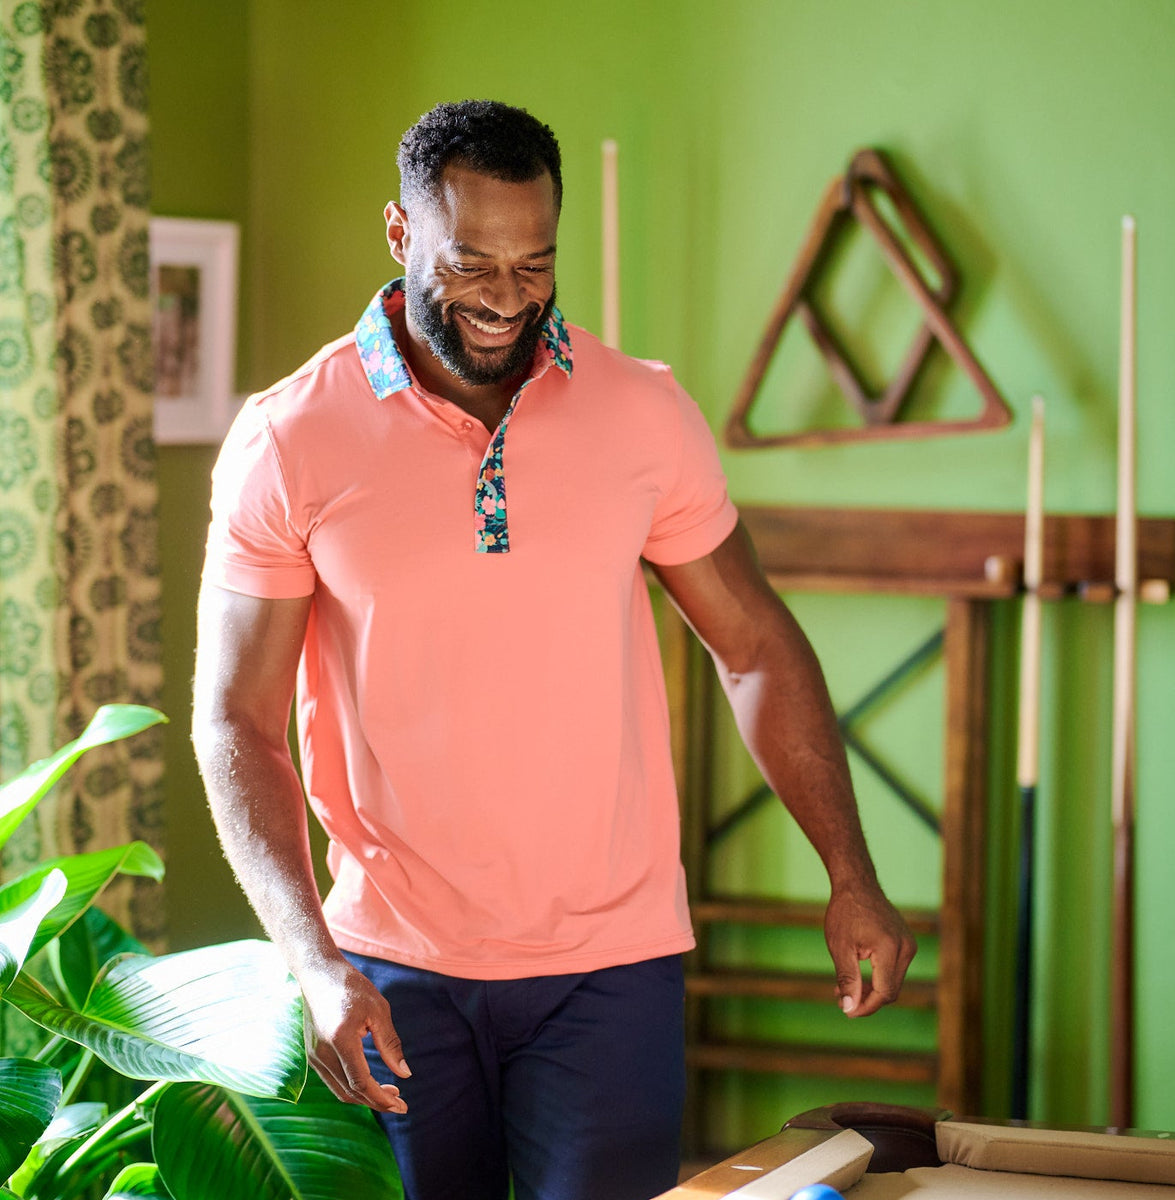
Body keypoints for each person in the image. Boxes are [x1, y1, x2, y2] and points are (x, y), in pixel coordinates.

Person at [192, 99, 916, 1200]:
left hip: (610, 972)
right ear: (400, 231)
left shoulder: (644, 413)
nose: (505, 299)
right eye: (471, 263)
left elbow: (757, 647)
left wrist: (850, 873)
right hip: (392, 970)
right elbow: (237, 722)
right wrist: (314, 962)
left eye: (535, 265)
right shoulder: (290, 437)